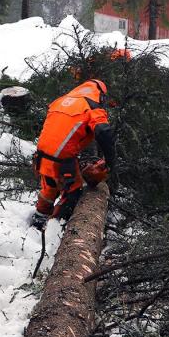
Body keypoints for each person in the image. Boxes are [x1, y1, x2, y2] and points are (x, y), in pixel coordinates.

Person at [30, 77, 117, 230]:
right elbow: (104, 132)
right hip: (62, 160)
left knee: (49, 189)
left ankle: (38, 221)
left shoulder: (61, 100)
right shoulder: (92, 106)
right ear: (101, 94)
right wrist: (110, 160)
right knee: (73, 192)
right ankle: (54, 229)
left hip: (42, 155)